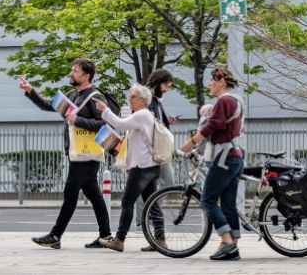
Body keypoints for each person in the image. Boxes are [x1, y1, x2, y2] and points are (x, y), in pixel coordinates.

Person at [22, 58, 121, 250]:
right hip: (78, 152)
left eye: (75, 71)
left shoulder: (95, 97)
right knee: (93, 192)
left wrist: (79, 120)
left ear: (86, 75)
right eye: (72, 70)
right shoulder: (72, 95)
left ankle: (55, 236)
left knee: (70, 192)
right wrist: (30, 91)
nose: (71, 74)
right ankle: (106, 236)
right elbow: (48, 104)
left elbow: (106, 124)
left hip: (87, 152)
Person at [178, 67, 245, 261]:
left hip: (223, 158)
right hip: (234, 156)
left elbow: (211, 126)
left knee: (207, 200)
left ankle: (227, 242)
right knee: (229, 205)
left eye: (212, 80)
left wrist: (189, 144)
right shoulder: (237, 99)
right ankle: (232, 246)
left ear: (221, 81)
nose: (209, 84)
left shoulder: (224, 100)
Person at [92, 84, 165, 252]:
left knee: (127, 201)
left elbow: (120, 123)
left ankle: (119, 240)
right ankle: (160, 239)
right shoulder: (144, 116)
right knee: (151, 203)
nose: (129, 99)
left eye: (133, 97)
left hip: (142, 168)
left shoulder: (141, 115)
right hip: (150, 166)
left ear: (143, 100)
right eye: (130, 96)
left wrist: (104, 109)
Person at [132, 68, 176, 251]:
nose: (166, 89)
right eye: (165, 85)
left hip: (158, 151)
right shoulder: (148, 99)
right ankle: (151, 226)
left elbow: (156, 123)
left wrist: (167, 122)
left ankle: (154, 230)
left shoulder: (156, 100)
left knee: (154, 192)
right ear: (158, 82)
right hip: (153, 153)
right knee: (158, 189)